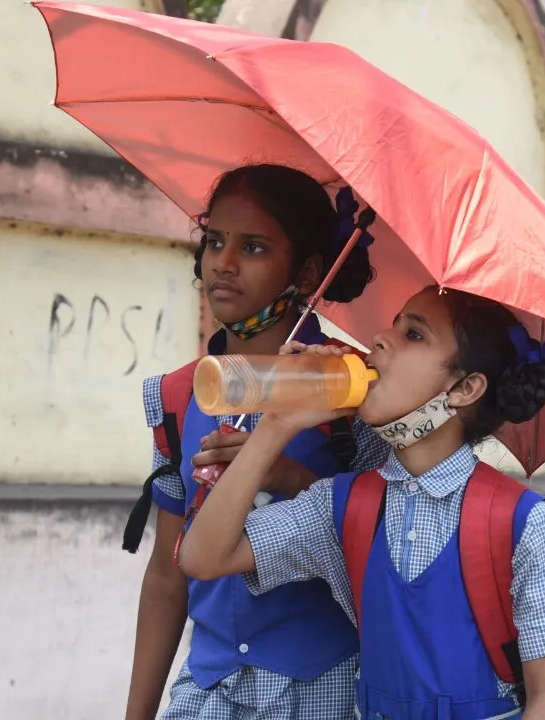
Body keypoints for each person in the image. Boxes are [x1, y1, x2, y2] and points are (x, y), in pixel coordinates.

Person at [178, 287, 545, 720]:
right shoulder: (341, 505)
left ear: (464, 388)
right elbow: (203, 557)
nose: (381, 338)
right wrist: (278, 424)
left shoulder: (523, 523)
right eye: (394, 324)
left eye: (415, 335)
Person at [124, 164, 389, 720]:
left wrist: (289, 477)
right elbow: (169, 573)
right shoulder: (177, 396)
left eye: (255, 247)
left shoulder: (356, 391)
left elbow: (384, 543)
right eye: (215, 241)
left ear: (308, 270)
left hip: (327, 690)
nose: (223, 261)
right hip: (208, 690)